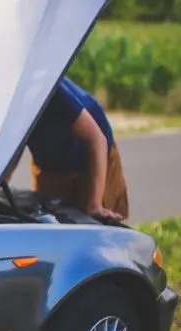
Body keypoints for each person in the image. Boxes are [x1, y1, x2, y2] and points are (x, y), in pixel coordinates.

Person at [23, 77, 129, 222]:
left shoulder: (49, 90)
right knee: (48, 221)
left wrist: (95, 204)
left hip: (94, 156)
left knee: (96, 223)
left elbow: (97, 139)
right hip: (50, 164)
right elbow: (10, 148)